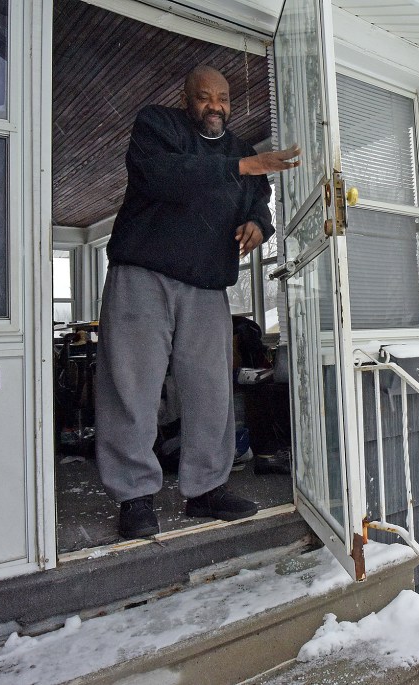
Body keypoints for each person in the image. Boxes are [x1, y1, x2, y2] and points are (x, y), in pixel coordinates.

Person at [95, 65, 300, 539]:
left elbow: (258, 201)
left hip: (208, 285)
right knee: (132, 387)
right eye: (205, 97)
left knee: (211, 392)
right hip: (143, 272)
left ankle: (206, 489)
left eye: (223, 98)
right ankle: (134, 496)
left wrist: (258, 226)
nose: (216, 106)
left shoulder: (240, 151)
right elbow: (161, 177)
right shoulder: (158, 127)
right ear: (187, 100)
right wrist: (240, 167)